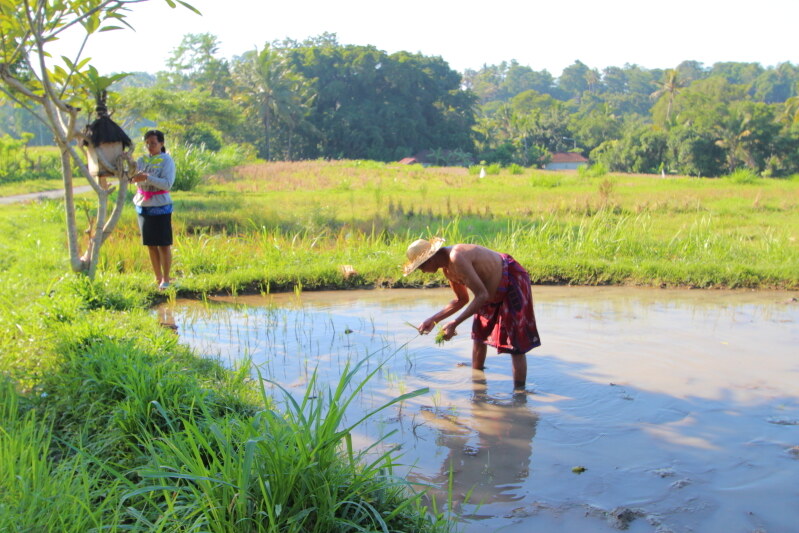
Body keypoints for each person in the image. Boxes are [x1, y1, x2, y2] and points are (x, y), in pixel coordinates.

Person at [403, 238, 541, 389]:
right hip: (488, 292)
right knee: (479, 334)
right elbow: (461, 300)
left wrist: (454, 323)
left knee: (515, 345)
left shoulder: (456, 258)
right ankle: (478, 387)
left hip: (511, 280)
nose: (422, 271)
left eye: (421, 266)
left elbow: (481, 295)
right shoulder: (448, 270)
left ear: (430, 258)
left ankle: (519, 394)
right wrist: (433, 319)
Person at [130, 130, 175, 290]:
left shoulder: (166, 160)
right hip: (143, 206)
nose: (150, 146)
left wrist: (147, 178)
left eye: (153, 143)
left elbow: (167, 184)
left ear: (161, 144)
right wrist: (138, 179)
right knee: (150, 245)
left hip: (161, 206)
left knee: (163, 244)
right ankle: (157, 278)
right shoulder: (141, 160)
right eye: (147, 143)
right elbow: (134, 179)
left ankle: (166, 278)